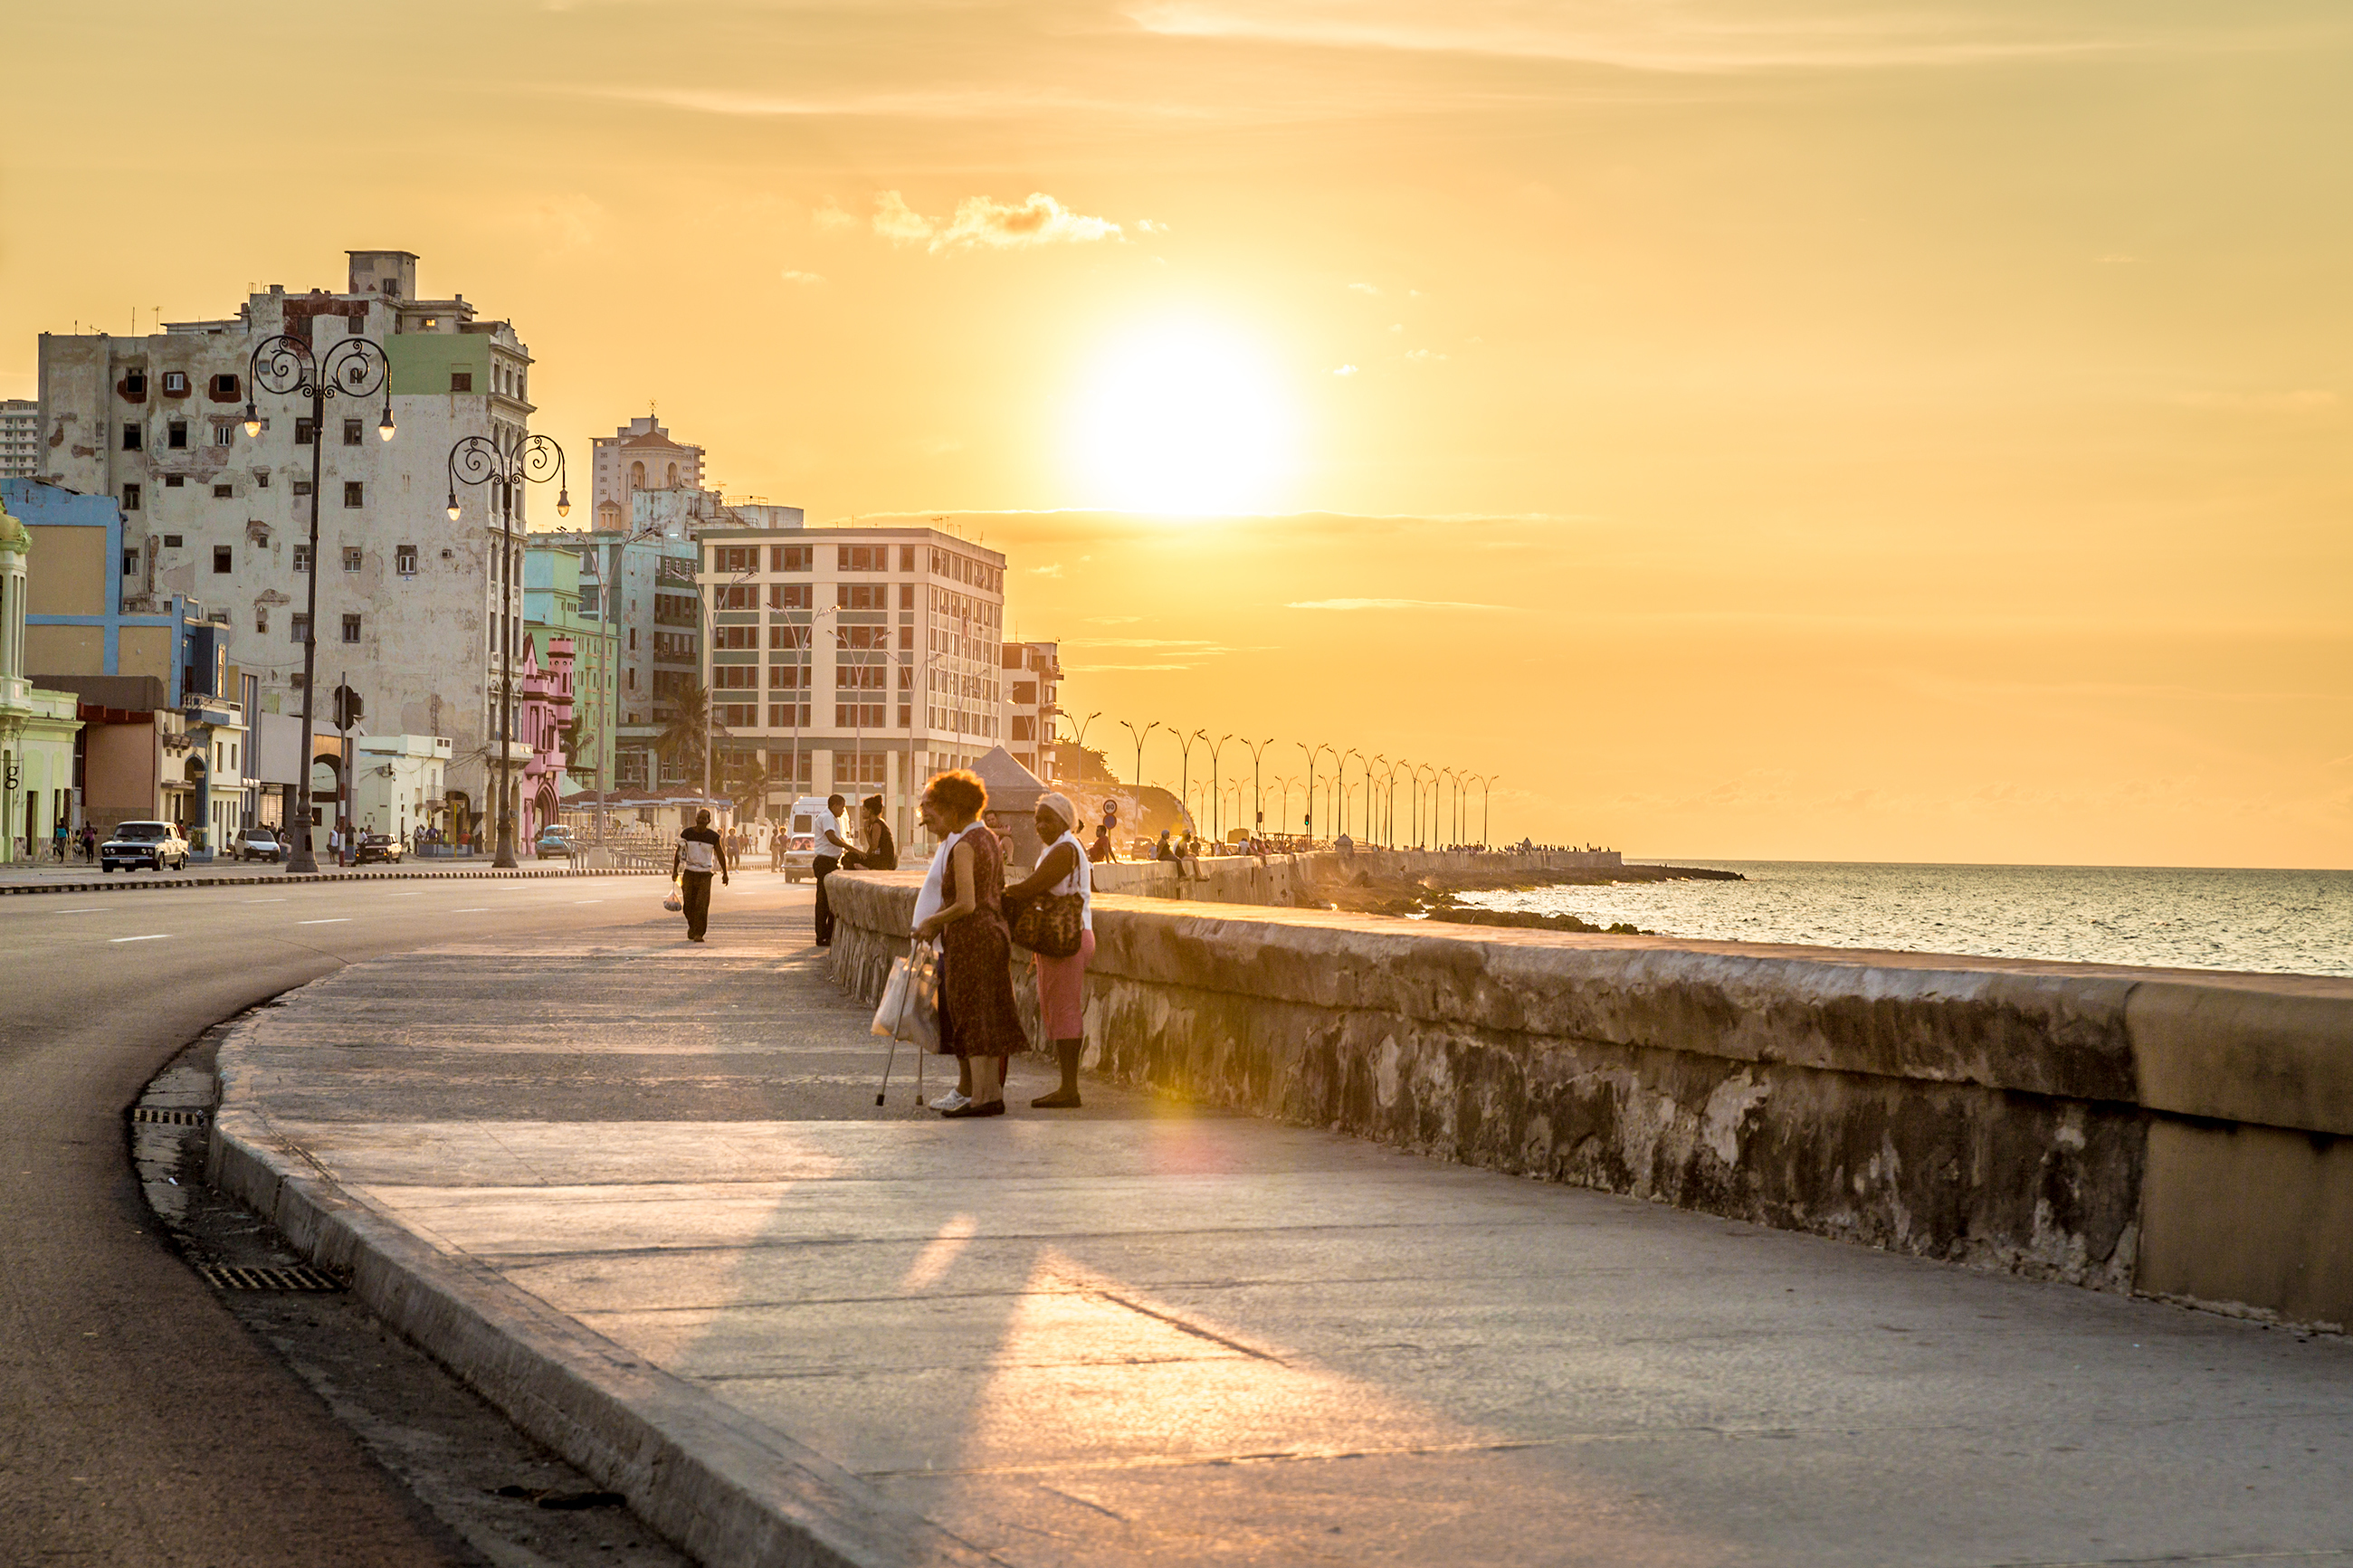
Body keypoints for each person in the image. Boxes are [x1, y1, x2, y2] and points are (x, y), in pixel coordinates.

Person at [910, 771, 1026, 1118]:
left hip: (971, 939)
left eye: (938, 811)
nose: (933, 819)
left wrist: (932, 921)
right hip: (993, 935)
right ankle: (989, 1094)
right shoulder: (989, 839)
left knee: (971, 1016)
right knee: (989, 1015)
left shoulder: (963, 846)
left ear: (954, 810)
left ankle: (980, 1098)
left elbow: (965, 903)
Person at [1005, 791, 1092, 1108]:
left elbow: (1032, 887)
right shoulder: (1060, 848)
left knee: (1065, 1011)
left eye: (1048, 819)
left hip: (1068, 937)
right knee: (1057, 1010)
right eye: (1037, 819)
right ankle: (1066, 1087)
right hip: (1060, 938)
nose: (1040, 825)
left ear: (1065, 821)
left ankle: (1070, 1089)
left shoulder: (1065, 849)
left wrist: (998, 893)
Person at [672, 807, 729, 942]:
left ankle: (699, 933)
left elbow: (720, 854)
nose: (702, 820)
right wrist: (675, 870)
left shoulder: (713, 837)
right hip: (689, 873)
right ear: (696, 819)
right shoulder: (687, 834)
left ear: (708, 821)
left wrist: (725, 873)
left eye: (705, 818)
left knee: (701, 905)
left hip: (705, 875)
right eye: (700, 817)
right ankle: (692, 927)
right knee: (688, 905)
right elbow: (679, 852)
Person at [812, 793, 850, 946]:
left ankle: (827, 934)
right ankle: (822, 936)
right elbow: (831, 837)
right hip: (825, 862)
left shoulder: (832, 817)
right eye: (842, 806)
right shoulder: (827, 817)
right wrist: (849, 847)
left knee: (829, 901)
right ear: (834, 805)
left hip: (829, 861)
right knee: (824, 901)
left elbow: (835, 837)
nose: (843, 810)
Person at [840, 794, 897, 871]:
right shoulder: (872, 824)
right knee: (847, 857)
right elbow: (872, 848)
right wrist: (865, 855)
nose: (862, 812)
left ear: (870, 811)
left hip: (883, 860)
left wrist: (866, 832)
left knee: (849, 857)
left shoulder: (877, 825)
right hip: (878, 857)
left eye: (864, 809)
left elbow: (874, 846)